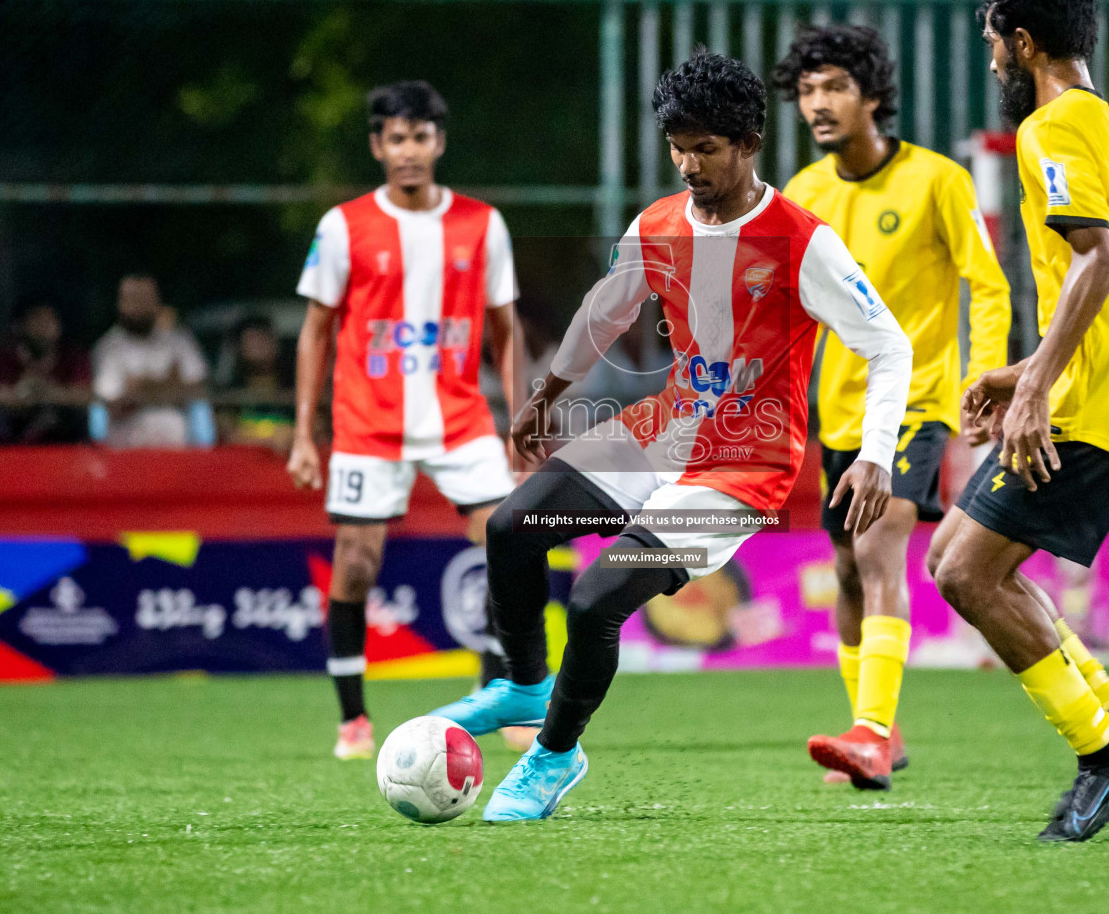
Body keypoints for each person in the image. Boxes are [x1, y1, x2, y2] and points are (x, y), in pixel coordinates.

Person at [426, 50, 913, 822]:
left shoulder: (799, 240)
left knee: (594, 602)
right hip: (659, 432)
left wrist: (878, 456)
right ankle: (522, 683)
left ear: (750, 142)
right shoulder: (657, 223)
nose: (689, 164)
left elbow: (889, 346)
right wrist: (548, 391)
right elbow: (607, 310)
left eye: (707, 149)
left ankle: (553, 758)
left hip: (742, 469)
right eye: (678, 147)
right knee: (514, 529)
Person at [928, 0, 1109, 843]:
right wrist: (1027, 368)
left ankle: (1106, 755)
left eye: (995, 40)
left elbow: (1100, 260)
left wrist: (1034, 384)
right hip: (1103, 387)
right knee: (960, 552)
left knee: (963, 572)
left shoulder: (1051, 128)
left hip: (1085, 404)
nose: (992, 57)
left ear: (1023, 41)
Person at [774, 23, 1012, 788]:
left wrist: (986, 377)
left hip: (917, 403)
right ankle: (880, 733)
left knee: (877, 549)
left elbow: (989, 282)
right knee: (844, 568)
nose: (818, 102)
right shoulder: (803, 196)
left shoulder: (939, 180)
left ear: (873, 96)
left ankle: (870, 731)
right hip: (837, 412)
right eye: (808, 90)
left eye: (835, 86)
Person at [288, 81, 520, 760]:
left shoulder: (483, 224)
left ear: (439, 143)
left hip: (459, 418)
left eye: (421, 137)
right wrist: (306, 432)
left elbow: (505, 332)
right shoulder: (343, 226)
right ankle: (353, 721)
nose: (409, 150)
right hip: (369, 422)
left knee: (508, 551)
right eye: (396, 137)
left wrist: (522, 417)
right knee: (356, 566)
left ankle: (498, 697)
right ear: (377, 146)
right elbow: (314, 333)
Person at [91, 274, 211, 448]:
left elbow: (198, 389)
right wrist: (168, 385)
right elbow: (114, 405)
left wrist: (140, 386)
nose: (140, 305)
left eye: (146, 298)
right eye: (133, 299)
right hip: (127, 454)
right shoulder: (108, 347)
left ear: (157, 301)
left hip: (179, 452)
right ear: (120, 304)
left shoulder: (179, 341)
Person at [0, 297, 91, 445]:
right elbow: (3, 397)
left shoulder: (74, 357)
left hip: (66, 448)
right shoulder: (4, 359)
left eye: (50, 319)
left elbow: (82, 396)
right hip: (17, 448)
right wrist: (25, 390)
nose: (44, 326)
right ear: (20, 326)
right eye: (37, 319)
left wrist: (46, 390)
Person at [218, 315, 294, 453]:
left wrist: (292, 436)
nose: (259, 346)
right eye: (252, 340)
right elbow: (225, 433)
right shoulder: (228, 395)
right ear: (239, 347)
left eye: (264, 338)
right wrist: (267, 441)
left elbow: (317, 428)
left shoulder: (296, 389)